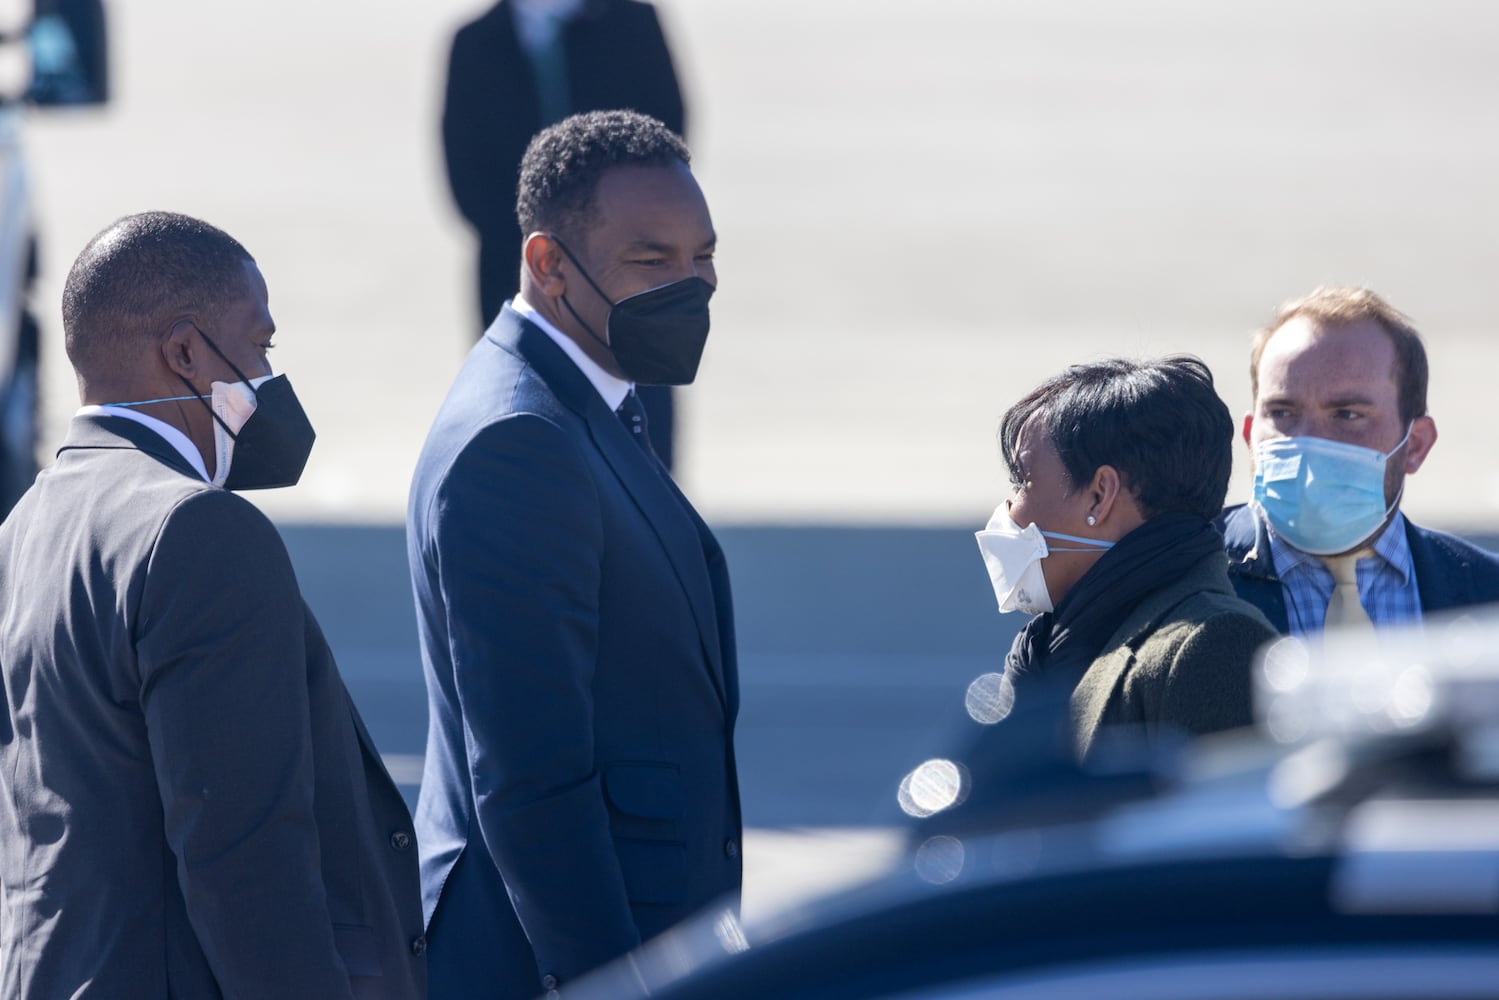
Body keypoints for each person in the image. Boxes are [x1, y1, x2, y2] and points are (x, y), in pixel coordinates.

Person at [0, 212, 425, 998]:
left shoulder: (29, 523)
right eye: (260, 347)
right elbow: (245, 858)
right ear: (187, 352)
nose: (267, 376)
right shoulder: (199, 531)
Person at [409, 110, 739, 998]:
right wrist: (613, 980)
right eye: (651, 261)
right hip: (561, 960)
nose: (691, 284)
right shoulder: (518, 440)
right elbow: (530, 776)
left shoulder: (582, 398)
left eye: (702, 256)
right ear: (549, 264)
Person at [974, 357, 1278, 756]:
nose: (1010, 506)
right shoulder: (1057, 647)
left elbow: (1220, 814)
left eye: (1023, 480)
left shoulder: (1214, 645)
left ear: (1100, 495)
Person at [442, 0, 687, 469]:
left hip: (629, 279)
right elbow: (466, 175)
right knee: (522, 431)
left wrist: (614, 243)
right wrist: (551, 257)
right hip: (518, 280)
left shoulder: (631, 22)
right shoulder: (476, 41)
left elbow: (668, 146)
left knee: (642, 443)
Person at [1218, 287, 1499, 635]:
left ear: (1415, 445)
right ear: (1250, 435)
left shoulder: (1487, 595)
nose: (1309, 440)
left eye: (1347, 414)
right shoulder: (1180, 577)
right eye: (1282, 412)